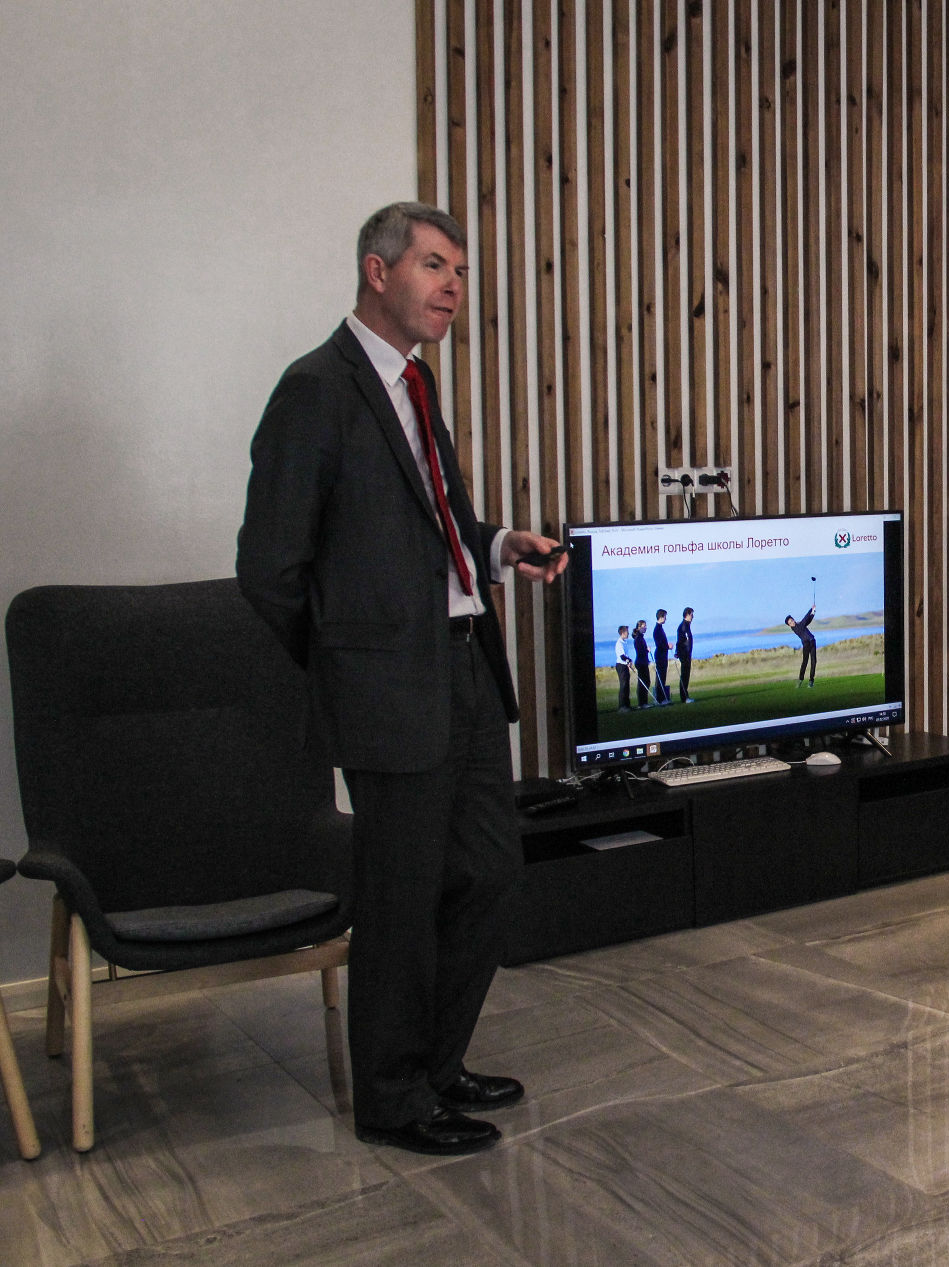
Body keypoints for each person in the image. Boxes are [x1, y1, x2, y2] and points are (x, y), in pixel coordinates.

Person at [236, 202, 568, 1156]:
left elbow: (433, 533)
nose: (453, 286)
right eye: (433, 265)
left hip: (464, 670)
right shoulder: (316, 390)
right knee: (402, 896)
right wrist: (349, 662)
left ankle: (434, 1063)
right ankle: (391, 1098)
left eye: (459, 270)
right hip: (391, 690)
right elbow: (270, 570)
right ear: (377, 273)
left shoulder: (413, 386)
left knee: (488, 873)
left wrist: (499, 547)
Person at [785, 605, 818, 685]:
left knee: (813, 661)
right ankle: (800, 679)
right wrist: (811, 609)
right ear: (789, 625)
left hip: (812, 641)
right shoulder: (796, 628)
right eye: (790, 623)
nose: (792, 622)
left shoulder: (800, 624)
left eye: (792, 620)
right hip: (806, 644)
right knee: (805, 662)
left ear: (793, 619)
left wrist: (813, 613)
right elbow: (805, 619)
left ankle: (811, 681)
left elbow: (808, 621)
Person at [631, 618, 652, 708]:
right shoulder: (638, 638)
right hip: (640, 663)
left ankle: (644, 702)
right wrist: (647, 650)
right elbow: (640, 652)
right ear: (639, 627)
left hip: (643, 662)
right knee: (643, 682)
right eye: (644, 626)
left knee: (646, 681)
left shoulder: (641, 637)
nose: (646, 628)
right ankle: (642, 703)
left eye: (646, 626)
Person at [652, 609, 672, 704]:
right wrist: (667, 646)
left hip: (663, 655)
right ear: (661, 617)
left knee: (662, 677)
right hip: (660, 655)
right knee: (660, 677)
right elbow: (659, 644)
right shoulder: (657, 629)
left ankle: (662, 698)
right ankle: (660, 699)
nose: (666, 619)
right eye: (665, 616)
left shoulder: (660, 628)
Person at [677, 606, 696, 702]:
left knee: (686, 676)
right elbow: (681, 642)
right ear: (687, 615)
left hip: (687, 654)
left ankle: (685, 696)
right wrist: (681, 653)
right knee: (684, 676)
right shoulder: (684, 626)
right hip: (685, 655)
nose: (692, 617)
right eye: (691, 615)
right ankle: (684, 697)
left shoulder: (686, 625)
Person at [614, 625, 634, 711]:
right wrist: (628, 660)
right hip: (621, 666)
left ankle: (627, 705)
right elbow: (622, 656)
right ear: (622, 633)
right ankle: (622, 706)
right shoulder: (619, 643)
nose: (628, 633)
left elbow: (626, 656)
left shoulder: (624, 642)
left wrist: (629, 661)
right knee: (623, 685)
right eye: (627, 632)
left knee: (627, 686)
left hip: (625, 665)